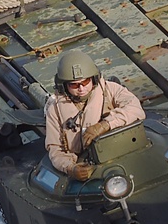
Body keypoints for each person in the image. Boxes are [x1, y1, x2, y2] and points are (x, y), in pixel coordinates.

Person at [44, 49, 145, 181]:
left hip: (121, 150)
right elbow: (55, 149)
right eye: (74, 85)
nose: (81, 88)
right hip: (87, 165)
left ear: (94, 78)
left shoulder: (110, 90)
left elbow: (135, 108)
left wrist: (105, 125)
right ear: (64, 85)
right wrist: (71, 168)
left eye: (85, 82)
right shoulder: (55, 109)